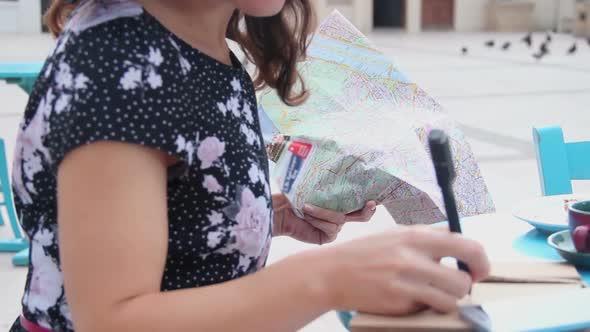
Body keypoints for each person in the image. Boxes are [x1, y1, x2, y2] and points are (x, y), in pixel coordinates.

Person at [10, 0, 490, 331]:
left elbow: (172, 214)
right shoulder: (121, 69)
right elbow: (114, 320)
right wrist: (329, 278)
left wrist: (265, 217)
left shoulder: (208, 48)